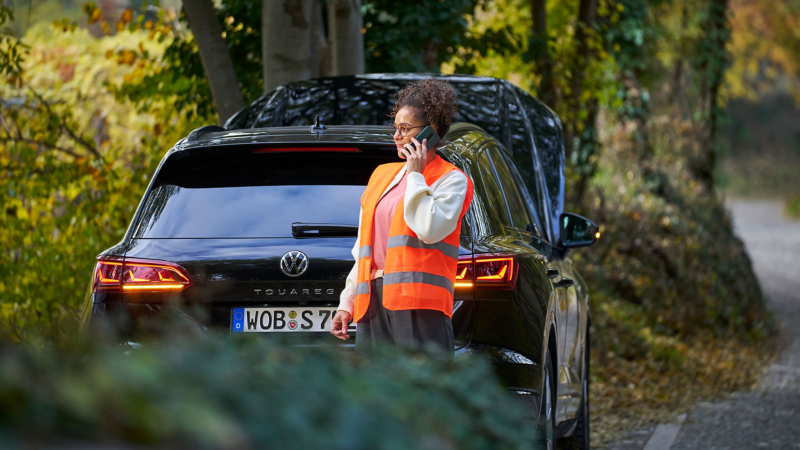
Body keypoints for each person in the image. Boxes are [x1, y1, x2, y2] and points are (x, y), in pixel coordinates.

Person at [330, 78, 474, 358]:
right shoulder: (381, 176)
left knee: (422, 397)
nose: (396, 136)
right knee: (377, 396)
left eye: (405, 129)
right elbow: (362, 249)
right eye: (394, 128)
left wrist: (416, 175)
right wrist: (346, 303)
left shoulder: (452, 180)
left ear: (429, 134)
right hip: (372, 304)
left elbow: (428, 229)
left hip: (421, 309)